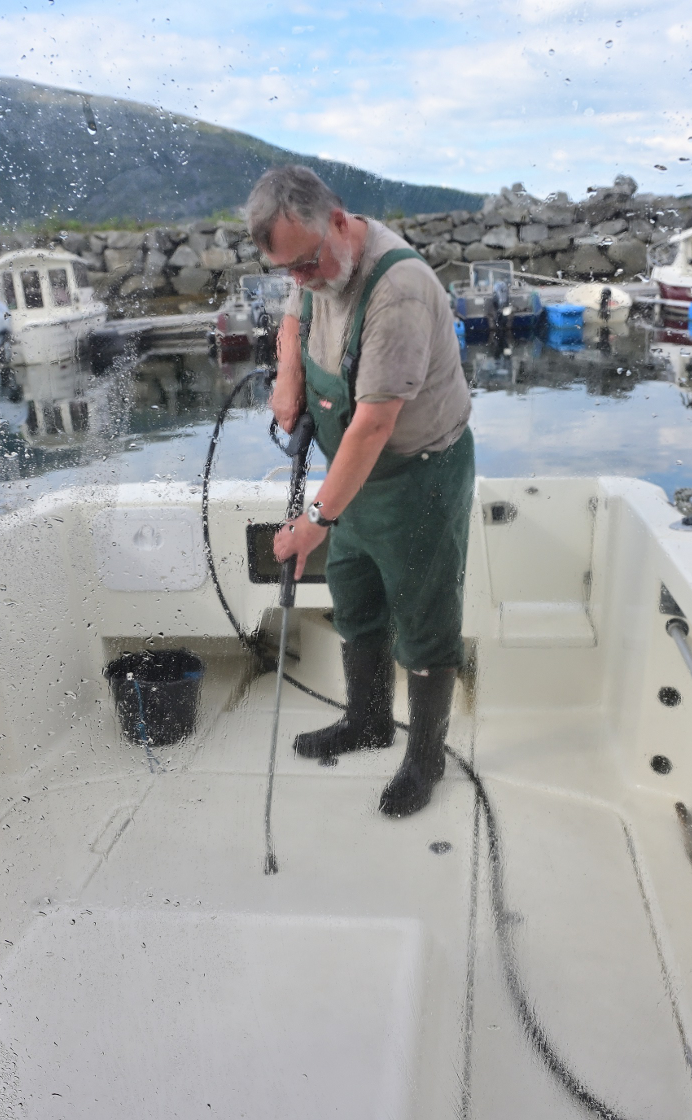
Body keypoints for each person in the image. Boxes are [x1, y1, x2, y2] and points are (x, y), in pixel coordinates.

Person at [247, 165, 474, 818]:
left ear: (340, 222)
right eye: (287, 269)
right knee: (355, 595)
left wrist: (316, 518)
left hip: (417, 474)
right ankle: (368, 721)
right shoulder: (312, 262)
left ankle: (425, 757)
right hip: (353, 476)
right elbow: (294, 320)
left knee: (424, 619)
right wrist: (287, 378)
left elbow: (374, 423)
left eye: (308, 264)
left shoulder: (396, 291)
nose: (302, 281)